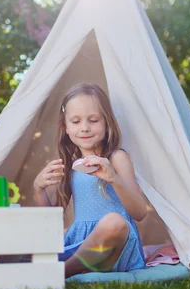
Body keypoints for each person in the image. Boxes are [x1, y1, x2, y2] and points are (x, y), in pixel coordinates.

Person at [33, 83, 148, 278]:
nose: (85, 128)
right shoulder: (69, 165)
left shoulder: (116, 158)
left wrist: (114, 179)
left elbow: (140, 212)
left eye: (93, 120)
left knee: (115, 222)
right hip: (81, 246)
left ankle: (61, 272)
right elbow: (51, 219)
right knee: (28, 241)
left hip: (115, 248)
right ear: (66, 127)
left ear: (107, 123)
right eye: (76, 121)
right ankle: (79, 266)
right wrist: (38, 189)